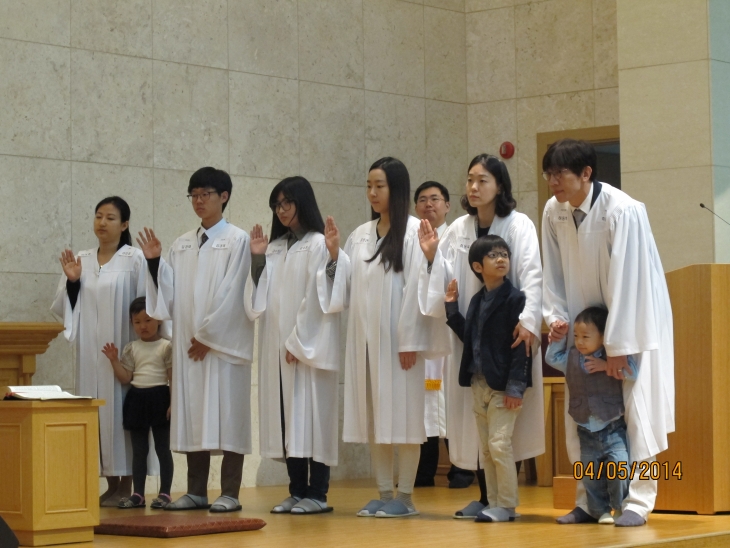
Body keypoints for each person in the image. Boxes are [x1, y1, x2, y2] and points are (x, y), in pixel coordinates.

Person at [541, 138, 674, 527]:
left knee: (637, 414)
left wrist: (618, 345)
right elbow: (553, 272)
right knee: (581, 415)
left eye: (560, 174)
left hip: (630, 329)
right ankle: (589, 501)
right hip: (582, 330)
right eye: (548, 174)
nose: (553, 182)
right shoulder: (553, 210)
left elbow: (632, 281)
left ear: (586, 173)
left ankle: (639, 501)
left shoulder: (623, 210)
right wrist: (556, 317)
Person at [418, 154, 544, 518]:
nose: (474, 187)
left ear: (499, 185)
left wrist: (529, 320)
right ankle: (487, 497)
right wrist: (431, 256)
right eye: (470, 180)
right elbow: (445, 278)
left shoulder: (519, 224)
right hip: (472, 343)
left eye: (483, 180)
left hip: (508, 339)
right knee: (478, 426)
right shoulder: (458, 228)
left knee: (503, 434)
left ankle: (503, 500)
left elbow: (532, 275)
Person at [327, 157, 449, 518]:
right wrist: (334, 256)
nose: (372, 192)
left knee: (406, 421)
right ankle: (383, 492)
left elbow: (420, 289)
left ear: (395, 189)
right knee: (376, 421)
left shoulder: (414, 232)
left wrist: (410, 341)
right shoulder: (360, 235)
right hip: (365, 346)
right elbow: (345, 290)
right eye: (369, 185)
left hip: (400, 347)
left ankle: (406, 497)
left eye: (379, 185)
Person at [137, 167, 255, 513]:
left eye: (206, 194)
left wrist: (208, 336)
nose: (199, 201)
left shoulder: (237, 240)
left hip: (222, 349)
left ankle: (230, 492)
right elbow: (168, 295)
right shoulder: (182, 243)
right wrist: (155, 263)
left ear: (224, 197)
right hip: (190, 349)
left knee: (229, 417)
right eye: (194, 195)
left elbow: (236, 293)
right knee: (194, 416)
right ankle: (196, 491)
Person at [244, 176, 342, 514]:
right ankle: (297, 491)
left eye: (287, 203)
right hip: (276, 347)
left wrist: (298, 341)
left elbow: (320, 296)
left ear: (303, 202)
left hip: (307, 348)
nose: (282, 210)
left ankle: (318, 493)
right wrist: (258, 258)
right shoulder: (273, 247)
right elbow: (258, 300)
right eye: (277, 205)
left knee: (313, 419)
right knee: (287, 420)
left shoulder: (317, 243)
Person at [51, 196, 157, 507]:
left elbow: (147, 304)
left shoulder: (134, 259)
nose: (102, 222)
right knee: (96, 414)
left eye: (110, 218)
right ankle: (111, 484)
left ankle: (128, 485)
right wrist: (73, 283)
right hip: (91, 355)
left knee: (124, 414)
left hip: (123, 352)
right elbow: (63, 307)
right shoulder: (82, 259)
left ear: (124, 224)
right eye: (98, 216)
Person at [444, 235, 532, 523]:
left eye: (504, 254)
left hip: (503, 386)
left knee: (499, 444)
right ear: (477, 267)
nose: (501, 259)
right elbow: (470, 338)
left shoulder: (516, 299)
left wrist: (516, 387)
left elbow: (522, 348)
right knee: (486, 449)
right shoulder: (477, 299)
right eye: (493, 255)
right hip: (478, 383)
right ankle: (493, 503)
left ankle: (506, 505)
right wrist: (451, 309)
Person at [545, 307, 637, 524]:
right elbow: (551, 358)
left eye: (586, 337)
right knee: (589, 475)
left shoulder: (611, 358)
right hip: (585, 430)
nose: (580, 342)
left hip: (612, 428)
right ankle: (598, 511)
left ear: (603, 337)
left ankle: (620, 508)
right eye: (576, 336)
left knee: (620, 469)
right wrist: (559, 337)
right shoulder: (571, 358)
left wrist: (606, 366)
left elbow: (632, 372)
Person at [101, 297, 174, 509]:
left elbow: (172, 378)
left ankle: (165, 493)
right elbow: (125, 378)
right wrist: (114, 360)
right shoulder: (131, 348)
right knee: (139, 451)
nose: (143, 326)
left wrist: (173, 404)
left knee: (162, 449)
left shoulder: (167, 346)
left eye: (148, 320)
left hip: (160, 397)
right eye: (137, 322)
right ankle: (138, 494)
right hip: (137, 399)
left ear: (159, 320)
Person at [412, 181, 450, 488]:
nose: (429, 205)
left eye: (435, 199)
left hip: (450, 332)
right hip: (423, 332)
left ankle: (461, 468)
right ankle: (423, 470)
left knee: (451, 401)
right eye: (423, 200)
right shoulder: (410, 240)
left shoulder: (457, 236)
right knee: (425, 402)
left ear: (447, 206)